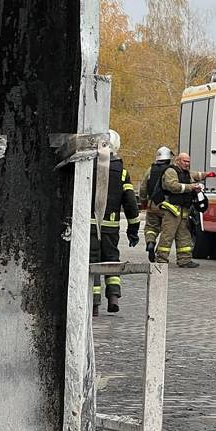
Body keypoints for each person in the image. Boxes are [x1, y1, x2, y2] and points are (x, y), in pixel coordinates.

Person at [90, 129, 141, 316]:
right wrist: (133, 228)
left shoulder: (88, 165)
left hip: (89, 225)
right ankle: (113, 297)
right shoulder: (122, 171)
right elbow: (130, 202)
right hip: (111, 227)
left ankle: (93, 304)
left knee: (92, 262)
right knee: (111, 260)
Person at [156, 152, 207, 269]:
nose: (187, 164)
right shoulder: (170, 172)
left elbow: (196, 175)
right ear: (178, 161)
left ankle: (185, 260)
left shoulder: (186, 173)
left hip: (183, 209)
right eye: (185, 161)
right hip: (172, 209)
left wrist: (207, 174)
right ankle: (161, 259)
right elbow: (172, 186)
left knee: (184, 236)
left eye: (189, 161)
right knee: (167, 235)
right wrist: (191, 187)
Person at [140, 146, 173, 262]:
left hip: (152, 205)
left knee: (151, 227)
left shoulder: (150, 170)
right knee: (166, 231)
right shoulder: (171, 171)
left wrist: (143, 201)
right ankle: (161, 254)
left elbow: (143, 188)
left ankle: (150, 242)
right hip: (167, 206)